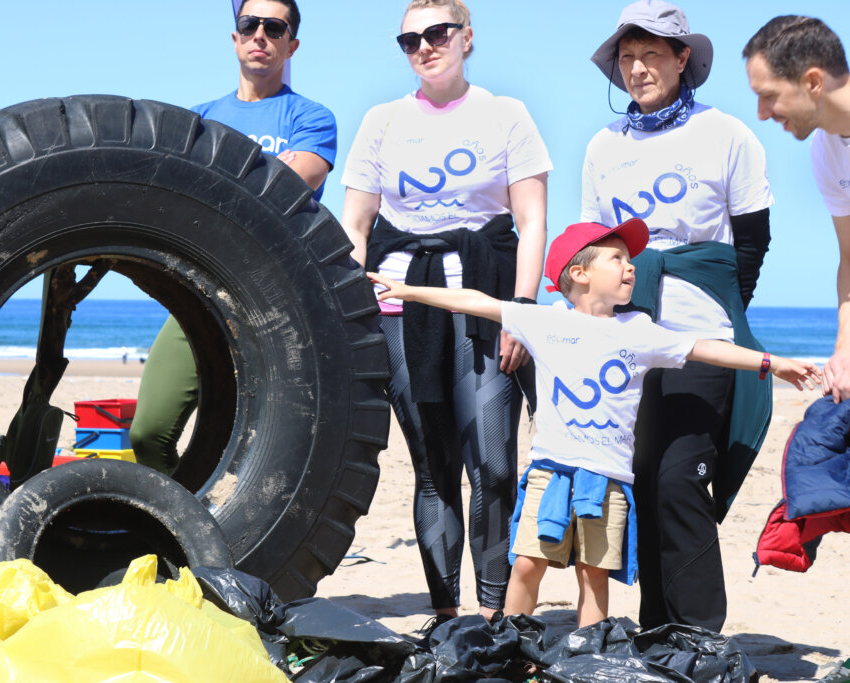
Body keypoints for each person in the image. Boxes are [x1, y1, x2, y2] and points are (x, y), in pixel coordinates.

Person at [368, 219, 819, 628]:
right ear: (579, 274)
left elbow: (704, 347)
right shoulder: (544, 321)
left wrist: (770, 362)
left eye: (630, 259)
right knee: (527, 563)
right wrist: (408, 291)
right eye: (617, 258)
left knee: (594, 575)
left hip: (607, 481)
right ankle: (516, 642)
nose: (631, 267)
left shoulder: (640, 330)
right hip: (550, 472)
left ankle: (587, 651)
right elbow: (476, 301)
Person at [341, 0, 551, 625]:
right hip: (398, 306)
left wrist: (522, 311)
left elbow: (532, 219)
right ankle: (445, 613)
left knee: (493, 461)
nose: (424, 47)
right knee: (433, 469)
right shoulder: (381, 121)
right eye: (409, 39)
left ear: (466, 38)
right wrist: (353, 312)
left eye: (436, 33)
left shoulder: (506, 115)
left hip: (484, 304)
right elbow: (355, 225)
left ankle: (492, 615)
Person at [582, 0, 774, 631]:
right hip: (629, 341)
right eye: (628, 58)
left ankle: (700, 639)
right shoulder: (602, 147)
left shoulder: (727, 134)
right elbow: (593, 246)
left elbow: (750, 244)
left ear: (682, 57)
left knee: (680, 482)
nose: (638, 69)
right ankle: (657, 630)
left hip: (703, 339)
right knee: (640, 484)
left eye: (653, 55)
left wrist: (715, 310)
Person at [128, 0, 337, 475]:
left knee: (247, 446)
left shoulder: (312, 119)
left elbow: (287, 187)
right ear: (235, 38)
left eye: (274, 27)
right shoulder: (197, 119)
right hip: (197, 293)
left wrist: (212, 187)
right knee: (148, 432)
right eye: (250, 24)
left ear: (292, 44)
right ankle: (176, 527)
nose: (261, 34)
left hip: (273, 304)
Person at [743, 17, 850, 406]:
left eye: (769, 95)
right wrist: (844, 349)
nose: (761, 112)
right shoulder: (826, 151)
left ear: (813, 82)